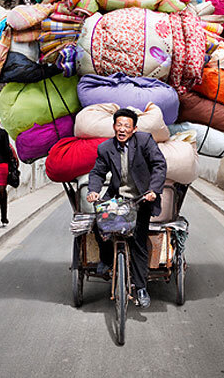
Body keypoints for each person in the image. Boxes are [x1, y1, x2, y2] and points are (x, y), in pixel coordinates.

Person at [86, 108, 166, 309]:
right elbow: (97, 172)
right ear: (114, 127)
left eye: (126, 126)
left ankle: (140, 288)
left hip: (141, 199)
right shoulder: (106, 148)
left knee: (138, 241)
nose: (122, 129)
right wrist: (94, 191)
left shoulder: (144, 141)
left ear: (134, 129)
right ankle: (106, 259)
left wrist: (154, 190)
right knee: (99, 225)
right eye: (119, 125)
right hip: (116, 199)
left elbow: (159, 165)